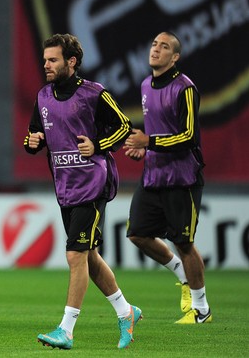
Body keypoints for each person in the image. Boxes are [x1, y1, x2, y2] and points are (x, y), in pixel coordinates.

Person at [24, 33, 140, 350]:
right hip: (65, 185)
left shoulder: (93, 94)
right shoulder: (43, 97)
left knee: (75, 254)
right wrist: (32, 142)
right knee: (87, 256)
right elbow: (34, 136)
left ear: (71, 62)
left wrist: (98, 145)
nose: (45, 64)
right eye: (45, 59)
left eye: (52, 60)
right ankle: (126, 312)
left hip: (93, 183)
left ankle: (66, 329)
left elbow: (123, 126)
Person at [124, 31, 211, 324]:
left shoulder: (185, 88)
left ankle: (201, 310)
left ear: (175, 57)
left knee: (183, 243)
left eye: (164, 47)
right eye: (153, 45)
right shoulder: (145, 85)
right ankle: (183, 277)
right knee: (137, 232)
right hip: (153, 175)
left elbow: (188, 137)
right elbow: (155, 133)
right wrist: (144, 150)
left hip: (182, 177)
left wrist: (149, 142)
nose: (156, 49)